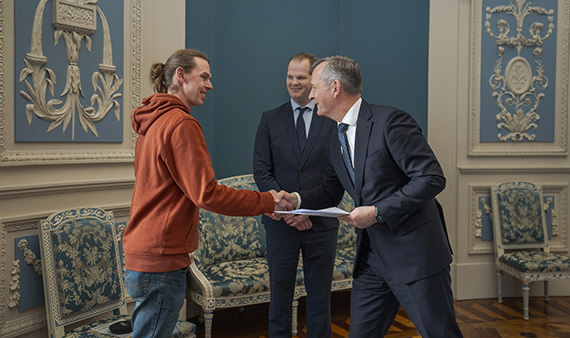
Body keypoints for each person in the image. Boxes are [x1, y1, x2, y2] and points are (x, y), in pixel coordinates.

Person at [283, 55, 463, 337]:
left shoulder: (390, 121)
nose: (311, 93)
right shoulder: (334, 138)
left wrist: (377, 212)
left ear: (335, 87)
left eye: (315, 86)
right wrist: (295, 201)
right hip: (371, 261)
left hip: (415, 257)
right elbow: (329, 192)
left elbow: (431, 178)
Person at [123, 49, 289, 338]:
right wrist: (266, 201)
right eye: (204, 77)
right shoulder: (181, 124)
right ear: (180, 76)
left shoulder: (151, 122)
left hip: (143, 252)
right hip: (161, 257)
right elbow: (207, 194)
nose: (210, 85)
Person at [253, 52, 342, 338]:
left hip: (321, 223)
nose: (293, 82)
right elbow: (262, 171)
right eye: (289, 76)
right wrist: (289, 211)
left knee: (320, 299)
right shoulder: (270, 119)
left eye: (301, 77)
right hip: (281, 224)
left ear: (314, 80)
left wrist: (306, 209)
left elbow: (336, 175)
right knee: (279, 298)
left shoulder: (331, 120)